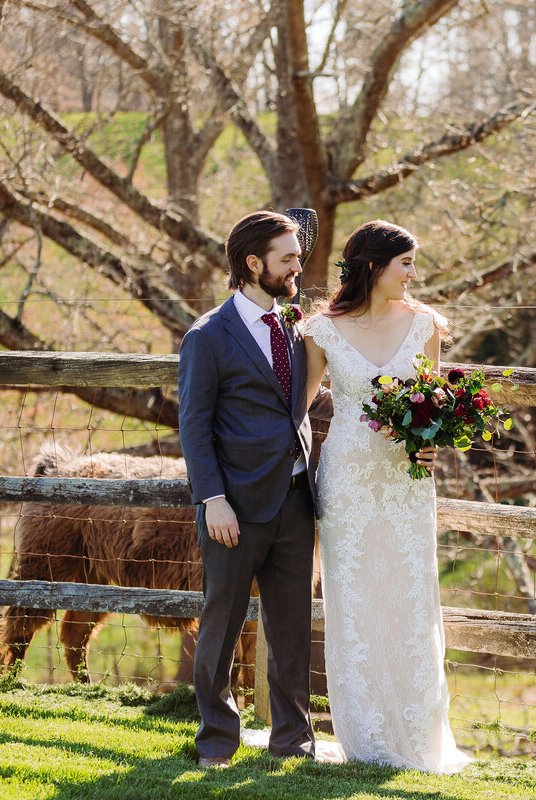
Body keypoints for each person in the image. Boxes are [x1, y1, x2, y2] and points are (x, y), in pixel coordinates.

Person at [300, 219, 472, 773]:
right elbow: (297, 410)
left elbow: (432, 403)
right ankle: (366, 735)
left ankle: (418, 734)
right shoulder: (320, 332)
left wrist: (431, 444)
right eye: (406, 263)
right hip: (347, 482)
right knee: (353, 602)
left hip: (404, 483)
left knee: (410, 597)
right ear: (374, 266)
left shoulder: (424, 324)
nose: (413, 274)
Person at [178, 210, 339, 768]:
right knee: (220, 625)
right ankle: (217, 740)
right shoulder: (207, 337)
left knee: (292, 627)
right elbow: (195, 427)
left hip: (296, 501)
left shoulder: (295, 327)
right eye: (288, 258)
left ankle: (292, 742)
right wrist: (212, 498)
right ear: (254, 264)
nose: (299, 266)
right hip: (234, 507)